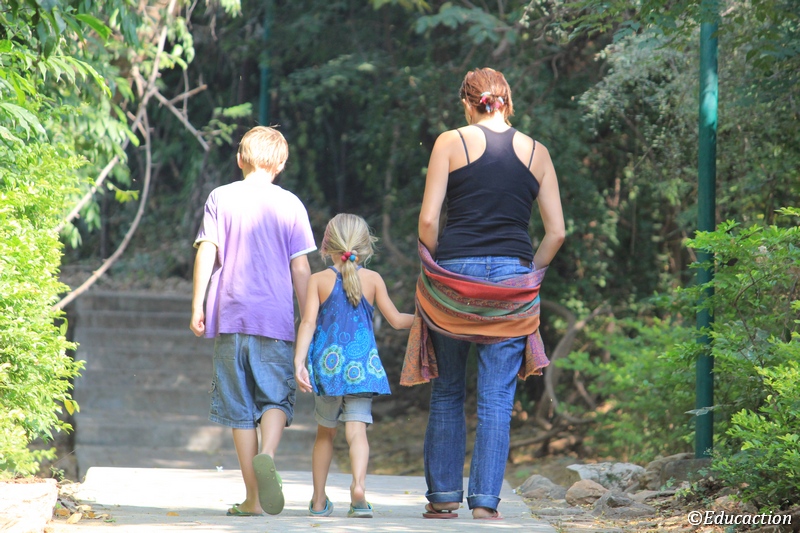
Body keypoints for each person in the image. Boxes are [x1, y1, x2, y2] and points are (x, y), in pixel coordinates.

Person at [409, 67, 565, 520]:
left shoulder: (449, 142)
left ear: (467, 103)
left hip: (454, 278)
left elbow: (428, 220)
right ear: (507, 101)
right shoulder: (537, 152)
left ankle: (443, 498)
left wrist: (435, 266)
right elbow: (556, 232)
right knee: (496, 398)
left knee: (447, 391)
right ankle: (484, 505)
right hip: (512, 283)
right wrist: (530, 276)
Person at [190, 126, 316, 517]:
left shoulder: (220, 196)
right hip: (275, 321)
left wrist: (197, 305)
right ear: (281, 164)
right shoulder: (291, 204)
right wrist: (310, 315)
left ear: (240, 159)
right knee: (275, 397)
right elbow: (300, 268)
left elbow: (207, 250)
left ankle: (252, 500)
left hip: (230, 317)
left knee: (240, 410)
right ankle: (269, 453)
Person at [293, 214, 414, 519]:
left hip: (328, 369)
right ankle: (358, 488)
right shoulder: (373, 279)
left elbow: (308, 323)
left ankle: (318, 500)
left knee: (325, 434)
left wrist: (299, 361)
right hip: (362, 368)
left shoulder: (318, 280)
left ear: (326, 246)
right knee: (357, 433)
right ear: (365, 246)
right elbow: (398, 320)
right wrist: (428, 319)